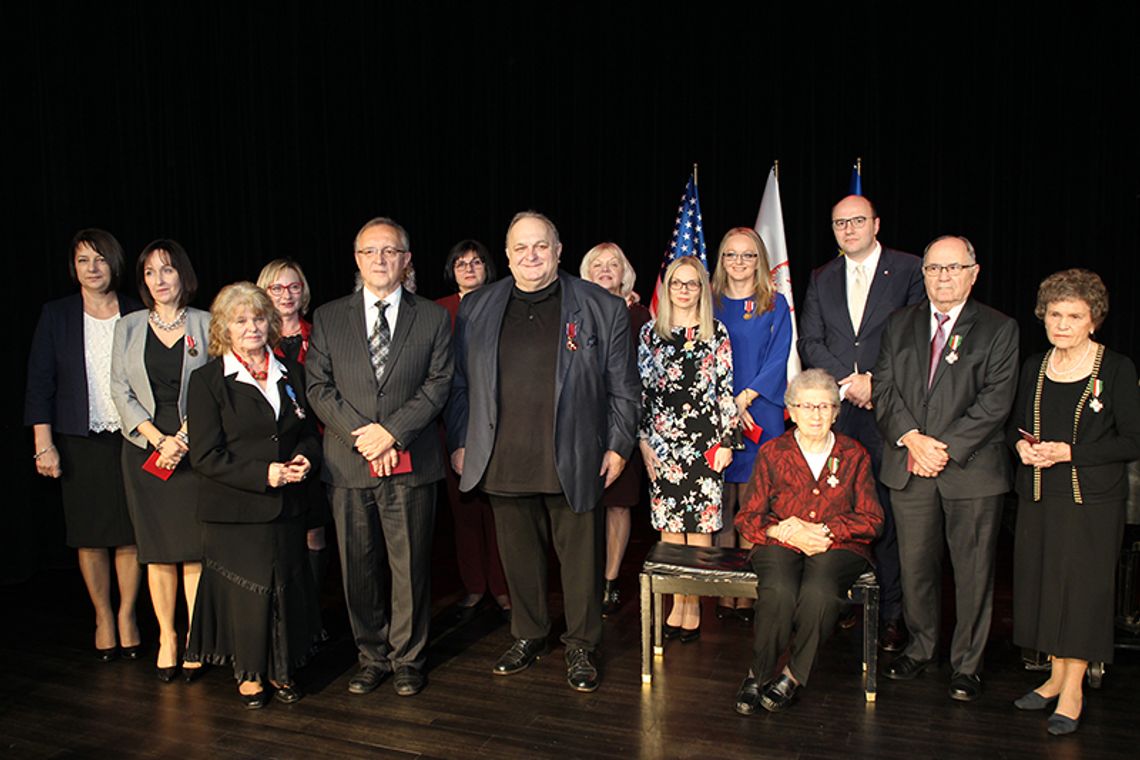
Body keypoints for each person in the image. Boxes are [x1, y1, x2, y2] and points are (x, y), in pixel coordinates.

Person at [446, 211, 639, 693]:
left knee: (579, 562)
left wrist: (618, 446)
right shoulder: (477, 307)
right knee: (519, 557)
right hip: (502, 455)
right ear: (508, 255)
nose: (530, 256)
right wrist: (461, 441)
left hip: (574, 456)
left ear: (558, 250)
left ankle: (581, 646)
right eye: (520, 248)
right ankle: (529, 634)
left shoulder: (601, 307)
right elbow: (460, 384)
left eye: (540, 247)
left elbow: (625, 389)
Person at [306, 217, 453, 698]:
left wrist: (392, 433)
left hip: (411, 462)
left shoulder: (432, 317)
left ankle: (408, 659)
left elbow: (438, 385)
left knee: (410, 567)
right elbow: (318, 387)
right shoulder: (329, 317)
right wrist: (364, 437)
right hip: (348, 465)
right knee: (358, 568)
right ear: (357, 259)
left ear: (406, 260)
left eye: (390, 251)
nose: (380, 260)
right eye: (370, 252)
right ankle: (371, 656)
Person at [873, 235, 1018, 702]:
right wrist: (913, 439)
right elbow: (885, 387)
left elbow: (995, 402)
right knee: (915, 567)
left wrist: (944, 448)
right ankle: (920, 647)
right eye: (934, 269)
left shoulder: (999, 328)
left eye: (953, 268)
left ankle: (967, 664)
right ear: (924, 274)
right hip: (909, 463)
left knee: (973, 571)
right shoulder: (899, 323)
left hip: (972, 471)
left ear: (973, 274)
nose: (943, 277)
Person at [1008, 269, 1140, 735]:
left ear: (1093, 320)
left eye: (1074, 316)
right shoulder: (1034, 366)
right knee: (1046, 588)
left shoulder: (1117, 369)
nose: (1062, 324)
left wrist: (1070, 453)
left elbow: (1132, 440)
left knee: (1082, 593)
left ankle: (1073, 690)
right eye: (1055, 314)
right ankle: (1054, 676)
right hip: (1041, 496)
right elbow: (1014, 425)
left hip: (1093, 502)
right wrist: (1021, 448)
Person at [184, 282, 323, 708]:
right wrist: (266, 473)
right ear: (224, 328)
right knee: (252, 595)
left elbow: (307, 435)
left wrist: (304, 460)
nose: (253, 327)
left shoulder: (292, 372)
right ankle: (250, 672)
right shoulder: (208, 381)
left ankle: (282, 669)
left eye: (259, 318)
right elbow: (206, 455)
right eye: (241, 320)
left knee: (283, 587)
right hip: (236, 513)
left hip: (287, 509)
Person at [797, 195, 924, 651]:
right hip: (836, 414)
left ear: (875, 223)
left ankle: (892, 614)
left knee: (885, 516)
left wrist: (876, 380)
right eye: (839, 223)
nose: (848, 229)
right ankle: (843, 602)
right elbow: (810, 339)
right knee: (836, 509)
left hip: (890, 412)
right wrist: (849, 385)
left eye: (856, 221)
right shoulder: (821, 277)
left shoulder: (909, 269)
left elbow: (916, 334)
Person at [733, 369, 883, 714]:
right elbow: (748, 518)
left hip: (839, 546)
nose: (816, 414)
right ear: (792, 409)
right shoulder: (773, 452)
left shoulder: (854, 454)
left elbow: (872, 519)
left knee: (820, 592)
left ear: (836, 411)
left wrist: (827, 531)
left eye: (825, 406)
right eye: (807, 406)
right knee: (780, 590)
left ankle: (793, 674)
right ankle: (758, 673)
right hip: (780, 542)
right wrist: (782, 530)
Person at [25, 229, 143, 660]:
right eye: (83, 261)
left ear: (115, 264)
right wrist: (44, 444)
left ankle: (128, 614)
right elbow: (40, 385)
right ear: (73, 268)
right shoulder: (56, 315)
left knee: (130, 534)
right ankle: (102, 616)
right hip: (79, 440)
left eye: (100, 260)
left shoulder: (136, 311)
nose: (93, 269)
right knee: (90, 536)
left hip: (131, 439)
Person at [110, 239, 210, 681]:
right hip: (145, 451)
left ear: (182, 275)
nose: (159, 280)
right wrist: (156, 439)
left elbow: (217, 386)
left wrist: (183, 437)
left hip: (195, 450)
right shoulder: (128, 326)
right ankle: (168, 637)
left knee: (193, 552)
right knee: (157, 552)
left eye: (167, 270)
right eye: (150, 273)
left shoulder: (207, 323)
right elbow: (120, 391)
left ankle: (195, 639)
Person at [639, 256, 737, 639]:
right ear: (667, 289)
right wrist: (642, 441)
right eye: (676, 283)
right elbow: (642, 392)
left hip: (706, 443)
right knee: (669, 527)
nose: (683, 290)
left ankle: (692, 605)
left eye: (691, 283)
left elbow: (725, 390)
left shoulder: (717, 333)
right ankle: (673, 603)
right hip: (662, 444)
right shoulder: (650, 333)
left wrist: (728, 441)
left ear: (702, 289)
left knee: (699, 527)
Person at [710, 227, 792, 622]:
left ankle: (752, 592)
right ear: (721, 260)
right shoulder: (708, 302)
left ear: (760, 260)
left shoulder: (775, 304)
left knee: (756, 504)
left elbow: (779, 358)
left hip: (762, 412)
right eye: (730, 255)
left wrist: (746, 397)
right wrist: (726, 402)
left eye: (747, 255)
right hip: (717, 410)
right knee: (723, 504)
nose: (739, 263)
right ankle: (727, 595)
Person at [436, 240, 510, 624]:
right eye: (460, 262)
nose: (469, 268)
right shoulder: (438, 311)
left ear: (488, 267)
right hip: (452, 423)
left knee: (499, 511)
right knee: (464, 510)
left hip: (500, 424)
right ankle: (475, 586)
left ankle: (502, 588)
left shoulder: (506, 302)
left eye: (476, 261)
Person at [580, 241, 651, 616]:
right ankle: (585, 580)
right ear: (586, 272)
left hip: (623, 424)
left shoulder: (640, 316)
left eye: (614, 264)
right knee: (583, 505)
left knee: (619, 504)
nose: (606, 270)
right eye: (598, 264)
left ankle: (610, 581)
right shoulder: (572, 312)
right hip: (581, 425)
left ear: (626, 273)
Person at [256, 259, 330, 596]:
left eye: (294, 287)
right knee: (277, 535)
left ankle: (311, 614)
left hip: (315, 448)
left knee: (314, 530)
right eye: (277, 288)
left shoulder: (321, 335)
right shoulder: (252, 340)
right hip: (270, 452)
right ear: (264, 292)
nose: (287, 295)